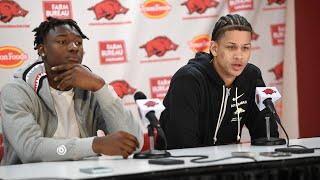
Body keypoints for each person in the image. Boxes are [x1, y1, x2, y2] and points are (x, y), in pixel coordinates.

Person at [0, 17, 143, 165]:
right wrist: (95, 145)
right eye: (62, 41)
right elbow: (30, 149)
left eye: (78, 43)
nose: (74, 47)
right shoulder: (17, 91)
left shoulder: (91, 89)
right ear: (42, 49)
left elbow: (134, 143)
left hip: (83, 174)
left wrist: (101, 88)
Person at [160, 14, 280, 149]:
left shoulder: (251, 77)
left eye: (245, 48)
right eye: (231, 47)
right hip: (184, 167)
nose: (239, 56)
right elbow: (182, 147)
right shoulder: (188, 80)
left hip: (230, 165)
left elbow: (267, 136)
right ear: (214, 48)